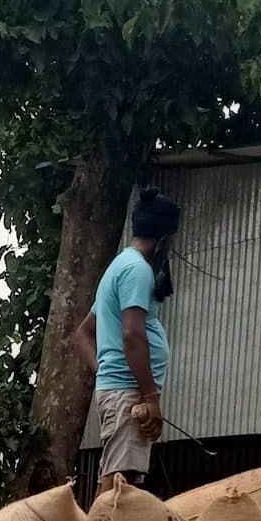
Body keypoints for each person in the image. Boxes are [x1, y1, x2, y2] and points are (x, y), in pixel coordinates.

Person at [82, 191, 180, 490]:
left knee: (125, 480)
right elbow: (132, 335)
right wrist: (149, 398)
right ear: (164, 239)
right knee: (119, 483)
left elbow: (84, 333)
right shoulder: (137, 270)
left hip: (120, 388)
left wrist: (105, 373)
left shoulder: (119, 266)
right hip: (128, 392)